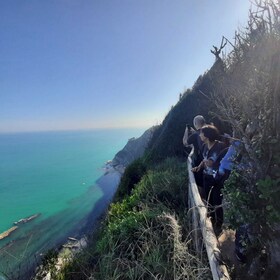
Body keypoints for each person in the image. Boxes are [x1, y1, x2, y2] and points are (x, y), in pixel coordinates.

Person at [192, 125, 226, 230]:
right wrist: (199, 167)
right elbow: (204, 159)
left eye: (202, 133)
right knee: (208, 200)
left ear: (207, 135)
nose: (200, 135)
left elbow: (226, 162)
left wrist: (213, 164)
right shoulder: (204, 146)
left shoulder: (221, 146)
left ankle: (219, 225)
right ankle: (212, 221)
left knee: (217, 201)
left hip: (217, 179)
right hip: (206, 177)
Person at [183, 115, 206, 187]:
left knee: (201, 183)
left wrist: (186, 131)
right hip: (212, 161)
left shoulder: (196, 135)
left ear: (195, 124)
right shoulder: (210, 131)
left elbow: (185, 143)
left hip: (201, 163)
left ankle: (203, 197)